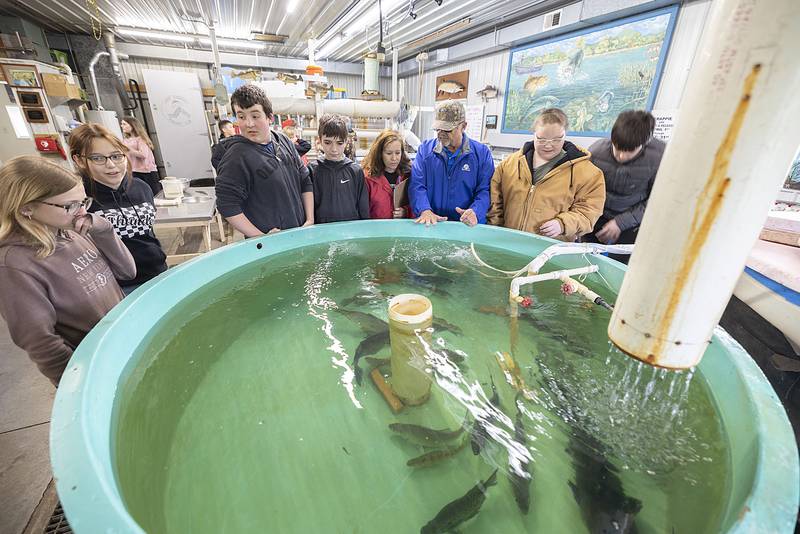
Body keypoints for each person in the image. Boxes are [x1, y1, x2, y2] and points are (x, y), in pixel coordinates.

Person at [0, 156, 136, 385]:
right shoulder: (14, 265)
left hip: (121, 344)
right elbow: (40, 341)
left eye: (84, 202)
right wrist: (78, 385)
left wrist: (104, 230)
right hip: (95, 367)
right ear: (26, 208)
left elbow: (127, 272)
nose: (81, 212)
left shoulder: (72, 231)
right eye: (70, 206)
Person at [70, 123, 167, 294]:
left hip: (158, 273)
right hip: (116, 286)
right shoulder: (78, 199)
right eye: (98, 158)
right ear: (79, 160)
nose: (111, 165)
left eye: (116, 156)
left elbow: (147, 233)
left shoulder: (141, 187)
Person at [487, 108, 605, 241]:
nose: (548, 146)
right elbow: (495, 201)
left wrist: (562, 224)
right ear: (534, 134)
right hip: (508, 242)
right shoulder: (510, 164)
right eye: (541, 139)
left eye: (556, 140)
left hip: (550, 250)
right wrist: (495, 231)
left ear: (565, 135)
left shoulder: (587, 173)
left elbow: (588, 212)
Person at [215, 84, 314, 237]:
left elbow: (304, 179)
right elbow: (227, 205)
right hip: (270, 243)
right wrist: (260, 237)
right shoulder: (236, 157)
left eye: (255, 116)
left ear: (270, 117)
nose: (249, 123)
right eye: (241, 116)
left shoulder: (283, 141)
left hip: (299, 233)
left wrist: (310, 219)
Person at [584, 110, 666, 263]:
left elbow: (658, 200)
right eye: (617, 148)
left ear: (644, 143)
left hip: (632, 222)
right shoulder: (596, 150)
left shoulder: (660, 159)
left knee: (619, 266)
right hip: (596, 216)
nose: (621, 156)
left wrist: (621, 223)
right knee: (585, 259)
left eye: (629, 152)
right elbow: (582, 188)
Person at [409, 100, 494, 227]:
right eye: (438, 129)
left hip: (466, 225)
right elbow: (417, 185)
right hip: (432, 223)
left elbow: (484, 190)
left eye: (447, 129)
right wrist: (424, 209)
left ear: (463, 126)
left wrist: (476, 211)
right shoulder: (425, 151)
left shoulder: (481, 154)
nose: (441, 134)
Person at [308, 114, 369, 223]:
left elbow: (363, 209)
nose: (334, 149)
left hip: (350, 232)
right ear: (319, 140)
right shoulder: (312, 170)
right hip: (322, 232)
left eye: (339, 143)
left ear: (346, 142)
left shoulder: (355, 171)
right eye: (327, 142)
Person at [361, 129, 412, 219]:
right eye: (388, 153)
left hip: (401, 230)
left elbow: (417, 202)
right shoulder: (367, 178)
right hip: (376, 230)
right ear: (379, 154)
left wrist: (406, 211)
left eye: (397, 153)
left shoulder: (409, 175)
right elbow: (362, 211)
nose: (394, 158)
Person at [120, 116, 160, 195]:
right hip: (133, 171)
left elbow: (143, 154)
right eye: (121, 124)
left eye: (124, 124)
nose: (122, 126)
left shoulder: (140, 139)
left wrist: (128, 149)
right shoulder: (125, 140)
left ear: (132, 125)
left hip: (146, 171)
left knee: (154, 194)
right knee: (141, 194)